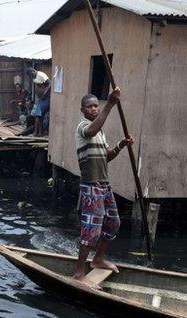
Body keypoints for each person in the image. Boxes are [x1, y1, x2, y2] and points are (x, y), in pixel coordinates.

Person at [73, 87, 133, 289]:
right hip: (90, 185)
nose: (93, 109)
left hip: (104, 184)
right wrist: (111, 104)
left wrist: (121, 145)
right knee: (91, 230)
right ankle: (79, 273)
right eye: (89, 107)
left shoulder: (100, 131)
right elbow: (92, 130)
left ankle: (97, 259)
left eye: (95, 106)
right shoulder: (83, 127)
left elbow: (106, 156)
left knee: (113, 223)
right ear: (83, 110)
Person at [33, 71, 51, 136]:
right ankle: (40, 132)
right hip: (41, 99)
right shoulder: (36, 78)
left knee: (37, 116)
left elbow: (50, 83)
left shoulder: (41, 75)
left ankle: (36, 132)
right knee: (40, 116)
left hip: (45, 99)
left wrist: (44, 93)